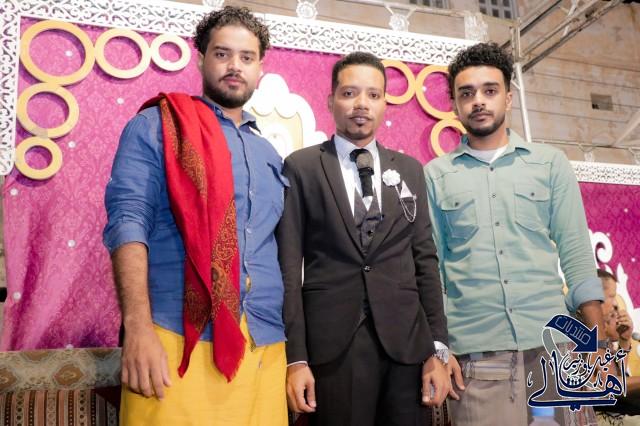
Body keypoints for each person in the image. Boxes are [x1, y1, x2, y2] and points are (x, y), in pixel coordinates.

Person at [103, 6, 288, 425]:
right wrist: (138, 328)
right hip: (176, 338)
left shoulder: (268, 153)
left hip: (263, 343)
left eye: (246, 57)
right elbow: (128, 221)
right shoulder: (159, 126)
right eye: (222, 54)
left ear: (260, 68)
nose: (235, 66)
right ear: (201, 59)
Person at [424, 42, 605, 426]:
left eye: (489, 90)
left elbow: (575, 250)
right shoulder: (436, 176)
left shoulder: (549, 164)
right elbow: (431, 271)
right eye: (466, 93)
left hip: (557, 351)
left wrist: (595, 337)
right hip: (477, 361)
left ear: (508, 96)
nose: (478, 101)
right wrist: (440, 351)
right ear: (454, 105)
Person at [277, 51, 451, 426]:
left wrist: (437, 348)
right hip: (333, 345)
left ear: (385, 103)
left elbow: (425, 261)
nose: (361, 104)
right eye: (349, 93)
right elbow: (289, 268)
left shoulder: (409, 170)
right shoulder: (302, 167)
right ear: (331, 101)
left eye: (373, 95)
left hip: (407, 346)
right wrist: (296, 358)